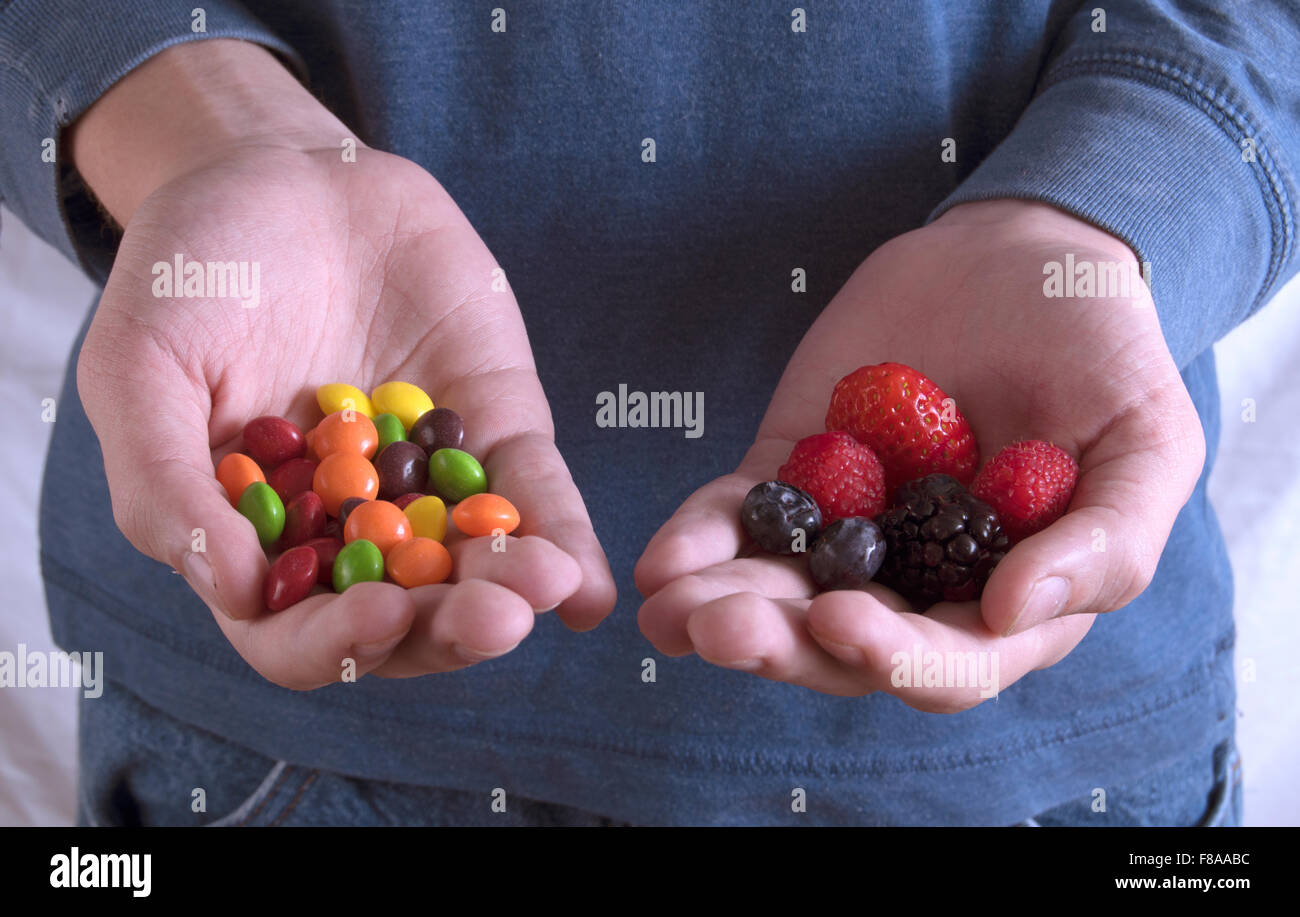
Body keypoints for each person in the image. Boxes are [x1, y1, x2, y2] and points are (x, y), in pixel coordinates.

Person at [3, 1, 1292, 826]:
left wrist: (1115, 210)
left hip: (1056, 777)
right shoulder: (357, 496)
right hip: (258, 752)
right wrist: (202, 136)